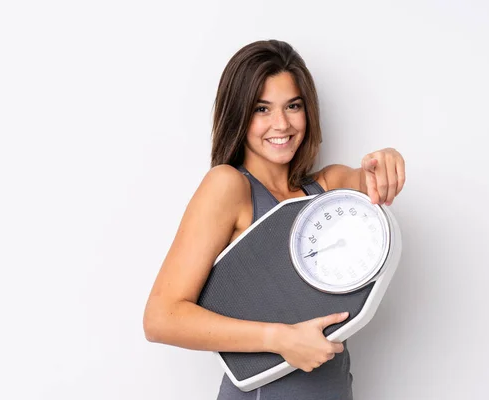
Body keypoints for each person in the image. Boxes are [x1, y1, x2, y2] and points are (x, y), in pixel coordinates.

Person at [143, 39, 406, 400]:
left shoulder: (325, 189)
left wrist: (386, 159)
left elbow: (371, 179)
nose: (280, 123)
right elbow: (161, 318)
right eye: (262, 109)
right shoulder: (228, 187)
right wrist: (279, 339)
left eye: (293, 106)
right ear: (239, 115)